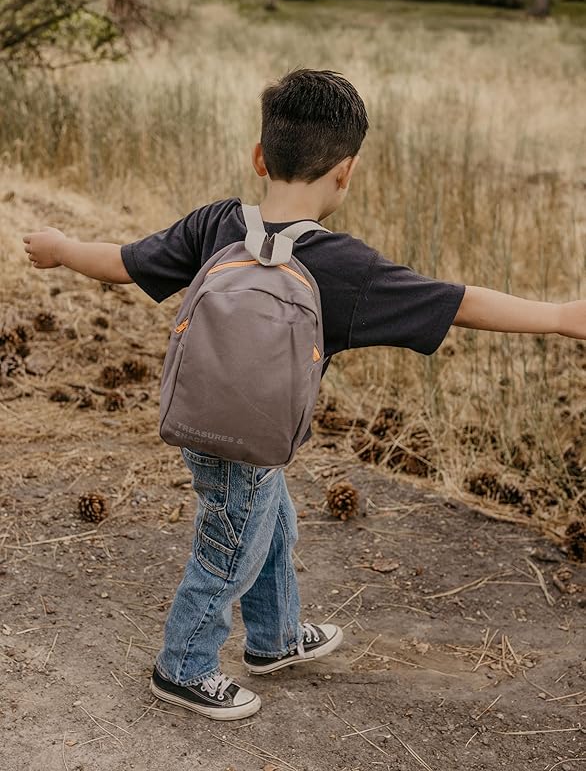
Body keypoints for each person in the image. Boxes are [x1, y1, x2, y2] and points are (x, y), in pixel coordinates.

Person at [23, 69, 586, 722]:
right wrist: (561, 314)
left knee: (270, 522)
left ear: (260, 157)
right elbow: (458, 302)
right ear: (345, 172)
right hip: (259, 436)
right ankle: (184, 665)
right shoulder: (346, 266)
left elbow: (122, 262)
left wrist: (62, 248)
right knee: (229, 549)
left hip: (200, 422)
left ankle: (276, 636)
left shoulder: (218, 224)